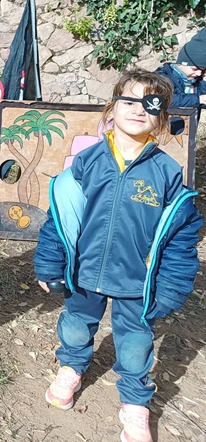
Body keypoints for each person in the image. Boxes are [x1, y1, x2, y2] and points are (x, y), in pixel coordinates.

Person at [34, 70, 202, 442]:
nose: (139, 110)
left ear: (161, 118)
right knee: (77, 324)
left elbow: (181, 236)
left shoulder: (166, 172)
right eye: (129, 100)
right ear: (111, 109)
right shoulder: (87, 161)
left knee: (136, 340)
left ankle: (135, 401)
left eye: (151, 104)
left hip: (137, 281)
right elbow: (61, 216)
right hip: (84, 271)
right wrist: (49, 262)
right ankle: (72, 367)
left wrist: (171, 288)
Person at [155, 27, 206, 120]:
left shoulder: (197, 81)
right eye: (194, 69)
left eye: (202, 70)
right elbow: (165, 100)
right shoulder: (162, 77)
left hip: (190, 127)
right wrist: (198, 99)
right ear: (181, 63)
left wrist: (204, 82)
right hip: (165, 126)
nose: (199, 73)